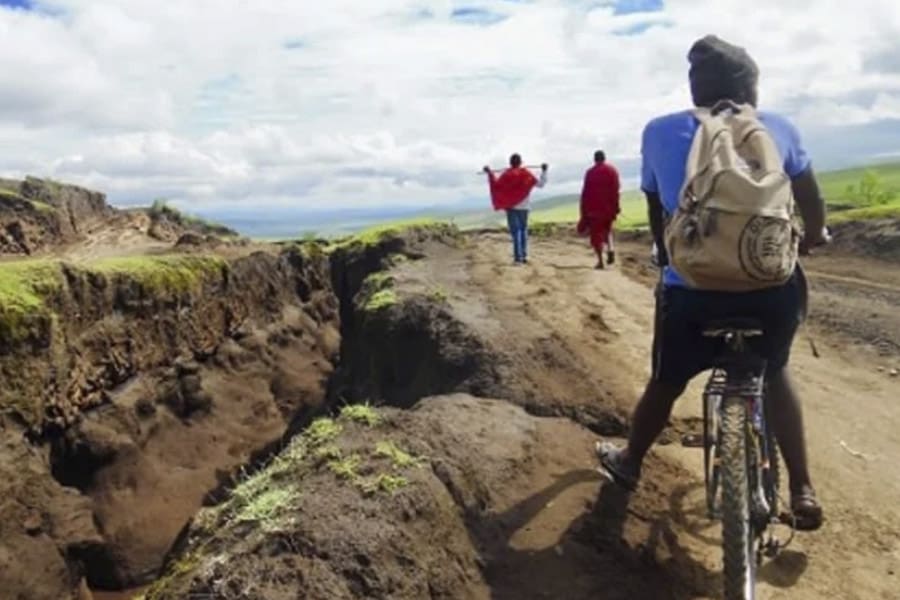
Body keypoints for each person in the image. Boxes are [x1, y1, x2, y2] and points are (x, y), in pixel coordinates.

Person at [598, 35, 828, 531]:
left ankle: (630, 462)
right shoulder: (779, 128)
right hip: (770, 292)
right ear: (752, 88)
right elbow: (811, 200)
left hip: (692, 292)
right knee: (777, 369)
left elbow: (660, 206)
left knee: (667, 380)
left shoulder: (659, 131)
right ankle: (803, 488)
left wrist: (667, 254)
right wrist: (814, 236)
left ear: (695, 88)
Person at [484, 155, 548, 264]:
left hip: (511, 208)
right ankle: (524, 256)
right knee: (523, 231)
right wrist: (544, 171)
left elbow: (496, 185)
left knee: (516, 232)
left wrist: (489, 172)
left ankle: (518, 259)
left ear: (510, 163)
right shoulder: (526, 174)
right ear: (520, 162)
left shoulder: (506, 175)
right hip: (524, 208)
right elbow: (541, 184)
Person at [578, 150, 620, 269]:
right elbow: (616, 190)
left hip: (594, 210)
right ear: (604, 158)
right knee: (608, 230)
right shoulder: (612, 171)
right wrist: (616, 206)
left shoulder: (590, 173)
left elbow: (586, 193)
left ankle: (601, 261)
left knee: (596, 236)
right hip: (608, 208)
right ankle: (611, 249)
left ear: (595, 159)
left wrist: (583, 211)